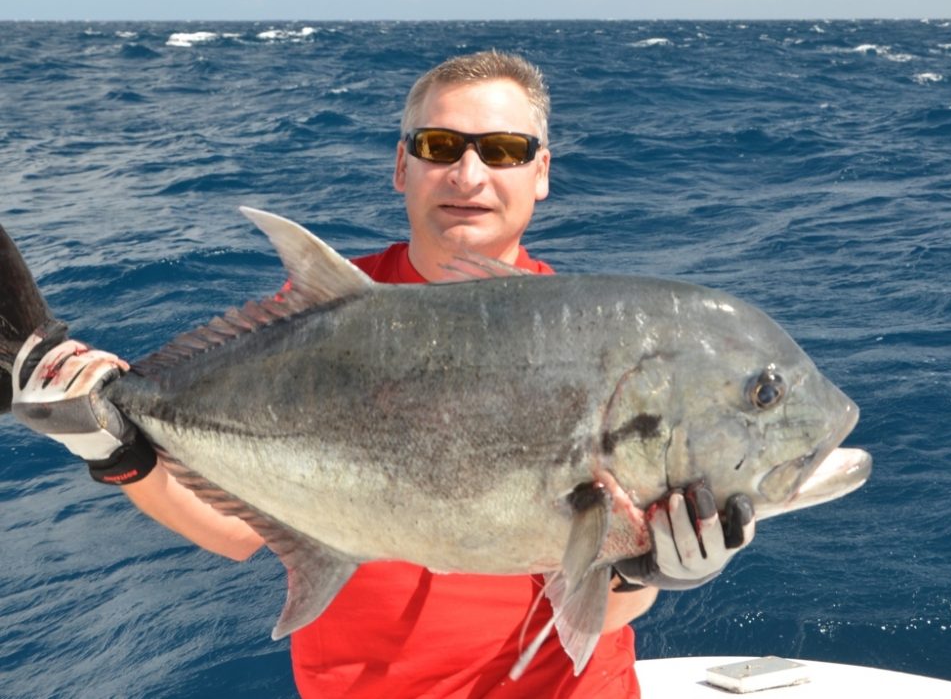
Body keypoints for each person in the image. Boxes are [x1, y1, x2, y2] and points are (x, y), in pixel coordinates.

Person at [11, 51, 755, 698]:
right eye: (440, 145)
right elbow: (239, 532)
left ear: (541, 173)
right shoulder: (315, 324)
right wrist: (114, 449)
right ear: (402, 165)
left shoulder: (595, 345)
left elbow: (595, 603)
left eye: (502, 149)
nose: (470, 174)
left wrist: (650, 571)